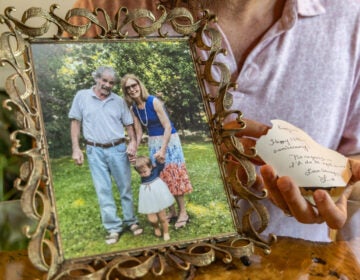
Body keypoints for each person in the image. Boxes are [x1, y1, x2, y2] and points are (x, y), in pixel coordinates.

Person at [69, 1, 360, 241]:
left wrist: (338, 187)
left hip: (291, 268)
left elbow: (354, 159)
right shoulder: (106, 9)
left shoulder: (351, 17)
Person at [68, 66, 143, 245]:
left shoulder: (118, 101)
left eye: (111, 83)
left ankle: (131, 221)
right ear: (97, 79)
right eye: (104, 81)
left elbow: (129, 125)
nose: (107, 85)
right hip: (94, 151)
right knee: (103, 190)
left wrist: (133, 142)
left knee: (125, 187)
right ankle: (113, 227)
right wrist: (76, 148)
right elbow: (75, 122)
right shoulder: (82, 96)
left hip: (117, 149)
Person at [121, 73, 193, 230]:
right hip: (153, 142)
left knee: (173, 175)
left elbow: (167, 126)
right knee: (161, 177)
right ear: (126, 92)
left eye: (134, 85)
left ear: (139, 85)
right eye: (128, 88)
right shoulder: (134, 109)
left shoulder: (154, 101)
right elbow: (139, 132)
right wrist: (134, 147)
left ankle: (183, 213)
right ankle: (172, 211)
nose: (132, 89)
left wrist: (163, 149)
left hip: (169, 141)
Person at [134, 155, 175, 241]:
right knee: (152, 219)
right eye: (140, 173)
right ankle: (156, 227)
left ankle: (166, 232)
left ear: (150, 167)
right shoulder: (143, 176)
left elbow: (161, 166)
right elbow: (136, 166)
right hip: (148, 198)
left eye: (144, 171)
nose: (143, 174)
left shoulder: (155, 171)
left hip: (158, 197)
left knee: (162, 218)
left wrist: (159, 160)